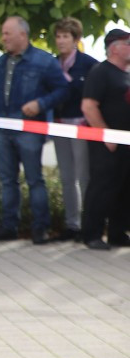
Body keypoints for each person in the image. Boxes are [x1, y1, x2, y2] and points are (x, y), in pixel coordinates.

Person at [0, 16, 68, 245]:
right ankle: (8, 226)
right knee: (7, 180)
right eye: (3, 33)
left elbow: (62, 90)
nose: (3, 38)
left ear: (23, 35)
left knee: (34, 180)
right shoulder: (1, 62)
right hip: (3, 128)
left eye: (7, 33)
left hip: (30, 129)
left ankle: (40, 229)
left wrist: (40, 104)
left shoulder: (44, 61)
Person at [80, 28, 130, 251]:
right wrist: (105, 133)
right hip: (106, 143)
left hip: (125, 143)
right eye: (128, 44)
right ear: (115, 48)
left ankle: (117, 233)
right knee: (102, 187)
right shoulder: (100, 71)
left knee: (123, 188)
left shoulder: (125, 74)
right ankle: (91, 234)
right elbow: (89, 105)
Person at [51, 17, 99, 242]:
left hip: (81, 125)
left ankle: (89, 225)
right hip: (59, 123)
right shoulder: (52, 63)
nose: (61, 41)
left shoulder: (89, 64)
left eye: (65, 37)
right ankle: (72, 225)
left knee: (84, 176)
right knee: (66, 176)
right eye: (58, 36)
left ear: (76, 39)